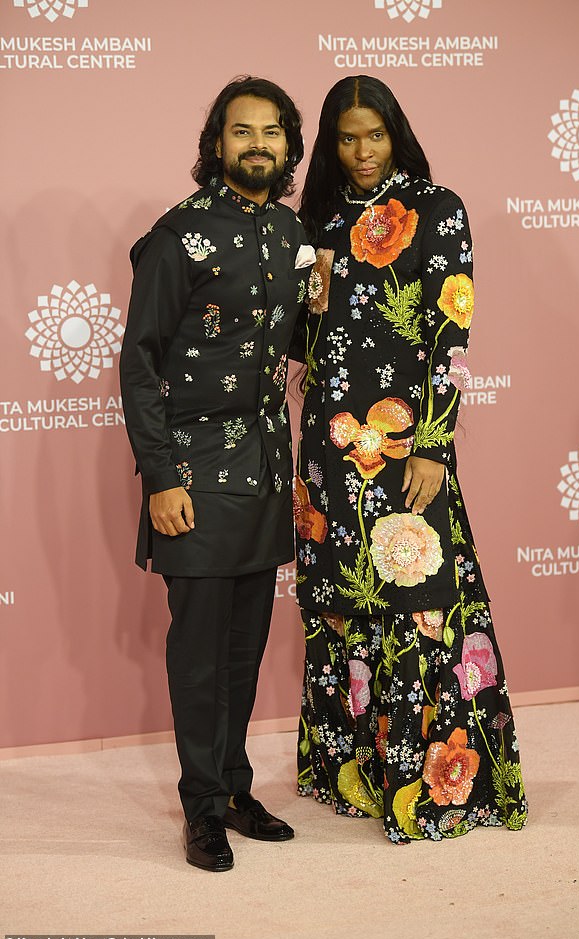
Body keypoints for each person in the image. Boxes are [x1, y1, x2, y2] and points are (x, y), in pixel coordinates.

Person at [292, 75, 528, 843]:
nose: (361, 152)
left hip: (403, 446)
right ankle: (353, 774)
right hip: (329, 449)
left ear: (397, 133)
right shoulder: (318, 219)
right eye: (346, 137)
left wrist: (433, 440)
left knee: (419, 602)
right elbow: (307, 341)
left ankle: (429, 786)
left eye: (374, 135)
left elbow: (450, 333)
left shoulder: (437, 208)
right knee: (339, 604)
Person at [119, 76, 315, 871]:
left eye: (272, 132)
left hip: (267, 473)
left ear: (288, 147)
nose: (257, 144)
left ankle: (235, 787)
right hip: (194, 476)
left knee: (243, 649)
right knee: (197, 652)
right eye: (242, 132)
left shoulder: (292, 234)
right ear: (217, 143)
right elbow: (138, 364)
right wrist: (161, 478)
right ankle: (200, 805)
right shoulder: (178, 235)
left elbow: (294, 343)